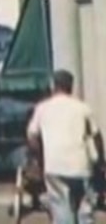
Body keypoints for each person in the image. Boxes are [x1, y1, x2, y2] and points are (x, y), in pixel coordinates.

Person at [26, 69, 106, 224]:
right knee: (85, 209)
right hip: (81, 166)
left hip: (55, 166)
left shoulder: (42, 108)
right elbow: (97, 137)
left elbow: (32, 136)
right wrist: (101, 162)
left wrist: (40, 158)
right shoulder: (83, 108)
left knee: (61, 209)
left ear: (53, 86)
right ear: (71, 86)